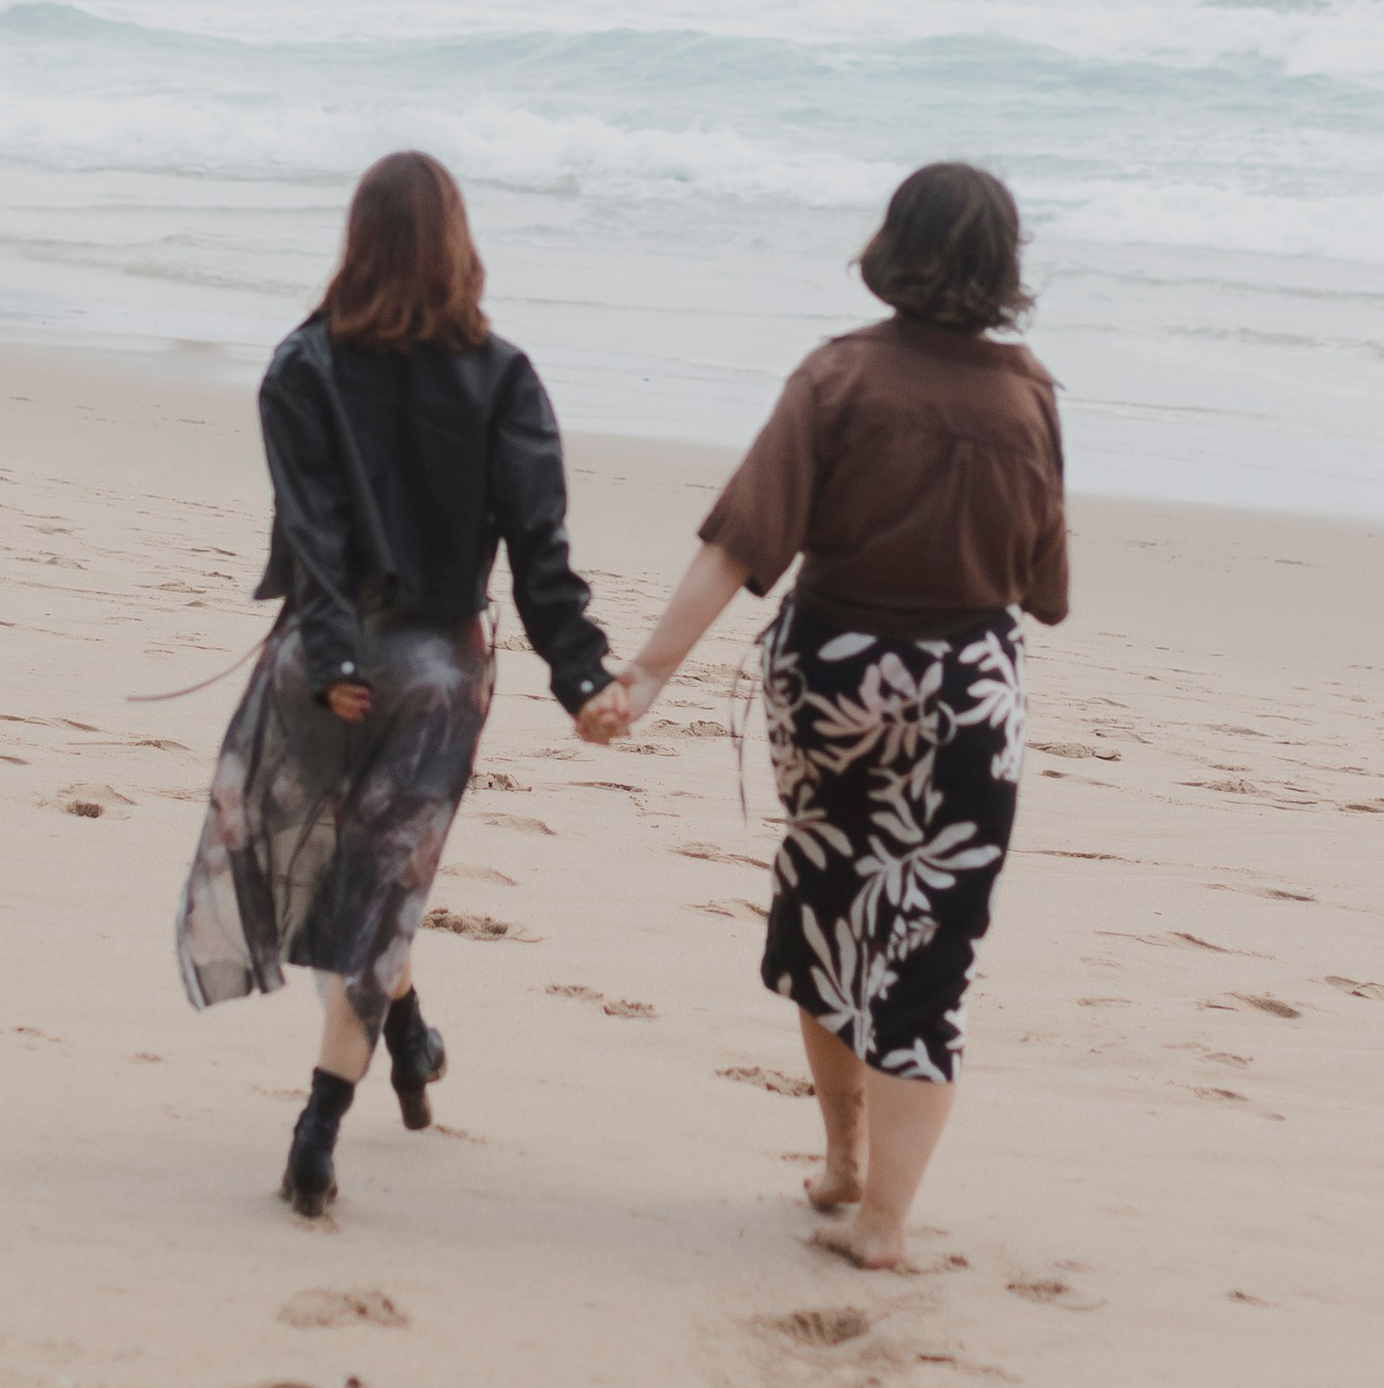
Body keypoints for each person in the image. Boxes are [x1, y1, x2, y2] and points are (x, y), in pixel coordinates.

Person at [576, 161, 1066, 1267]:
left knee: (828, 899)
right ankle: (884, 1222)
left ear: (890, 247)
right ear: (1004, 266)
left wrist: (647, 674)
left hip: (834, 676)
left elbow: (744, 540)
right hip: (967, 692)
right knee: (933, 942)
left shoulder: (837, 375)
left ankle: (844, 1159)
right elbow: (1041, 583)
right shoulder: (1027, 395)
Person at [176, 150, 615, 1218]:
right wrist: (580, 674)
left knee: (339, 872)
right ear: (459, 244)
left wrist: (331, 662)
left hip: (320, 662)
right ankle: (324, 1123)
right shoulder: (504, 376)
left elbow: (315, 534)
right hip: (436, 670)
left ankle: (402, 1044)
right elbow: (539, 548)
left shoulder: (302, 365)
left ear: (358, 240)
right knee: (382, 882)